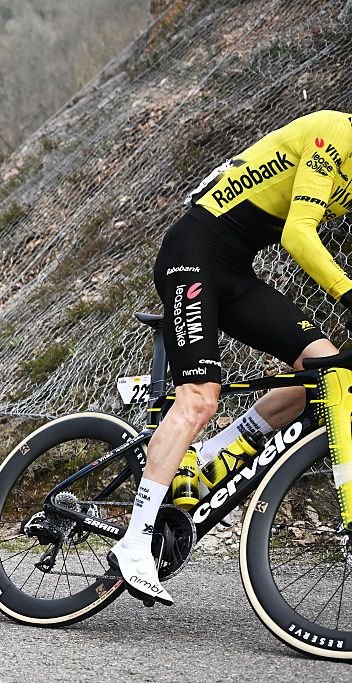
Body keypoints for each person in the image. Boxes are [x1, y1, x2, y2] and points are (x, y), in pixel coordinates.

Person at [111, 110, 352, 605]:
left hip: (236, 271)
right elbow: (299, 234)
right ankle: (134, 542)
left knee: (323, 368)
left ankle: (210, 453)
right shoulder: (335, 133)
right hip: (192, 254)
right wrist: (347, 294)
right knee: (200, 398)